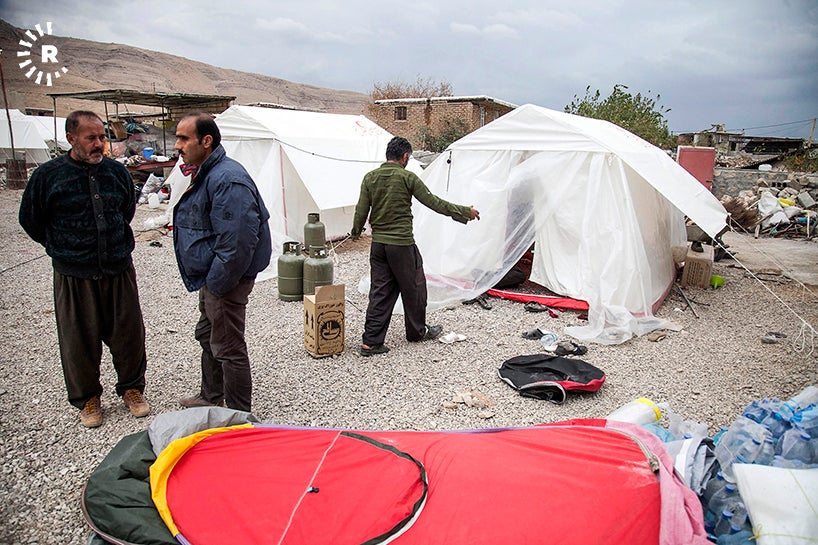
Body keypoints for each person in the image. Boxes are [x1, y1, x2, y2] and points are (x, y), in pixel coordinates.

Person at [18, 110, 149, 428]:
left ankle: (131, 388)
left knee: (128, 334)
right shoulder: (48, 176)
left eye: (102, 137)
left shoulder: (116, 173)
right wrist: (63, 246)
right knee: (78, 339)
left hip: (117, 267)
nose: (99, 143)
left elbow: (126, 210)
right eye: (91, 138)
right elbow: (30, 219)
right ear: (71, 138)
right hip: (74, 273)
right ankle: (88, 397)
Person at [173, 111, 271, 412]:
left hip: (226, 278)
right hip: (213, 275)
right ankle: (211, 396)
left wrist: (217, 284)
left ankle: (239, 416)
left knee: (228, 345)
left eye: (183, 138)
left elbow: (237, 243)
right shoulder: (209, 172)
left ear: (206, 141)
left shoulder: (227, 179)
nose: (177, 145)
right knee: (208, 334)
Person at [351, 136, 480, 356]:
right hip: (402, 245)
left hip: (379, 246)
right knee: (415, 288)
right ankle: (417, 332)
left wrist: (355, 233)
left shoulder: (370, 178)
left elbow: (361, 209)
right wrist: (464, 212)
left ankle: (371, 341)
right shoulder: (407, 177)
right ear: (404, 156)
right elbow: (434, 202)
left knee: (380, 291)